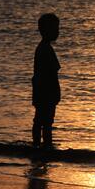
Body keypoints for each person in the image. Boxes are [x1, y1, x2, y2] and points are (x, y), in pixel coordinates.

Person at [32, 13, 61, 148]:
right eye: (55, 29)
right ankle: (44, 147)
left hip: (41, 91)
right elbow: (52, 74)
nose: (57, 32)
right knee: (46, 122)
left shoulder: (43, 48)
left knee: (40, 121)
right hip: (46, 92)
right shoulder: (45, 49)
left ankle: (38, 146)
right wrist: (56, 92)